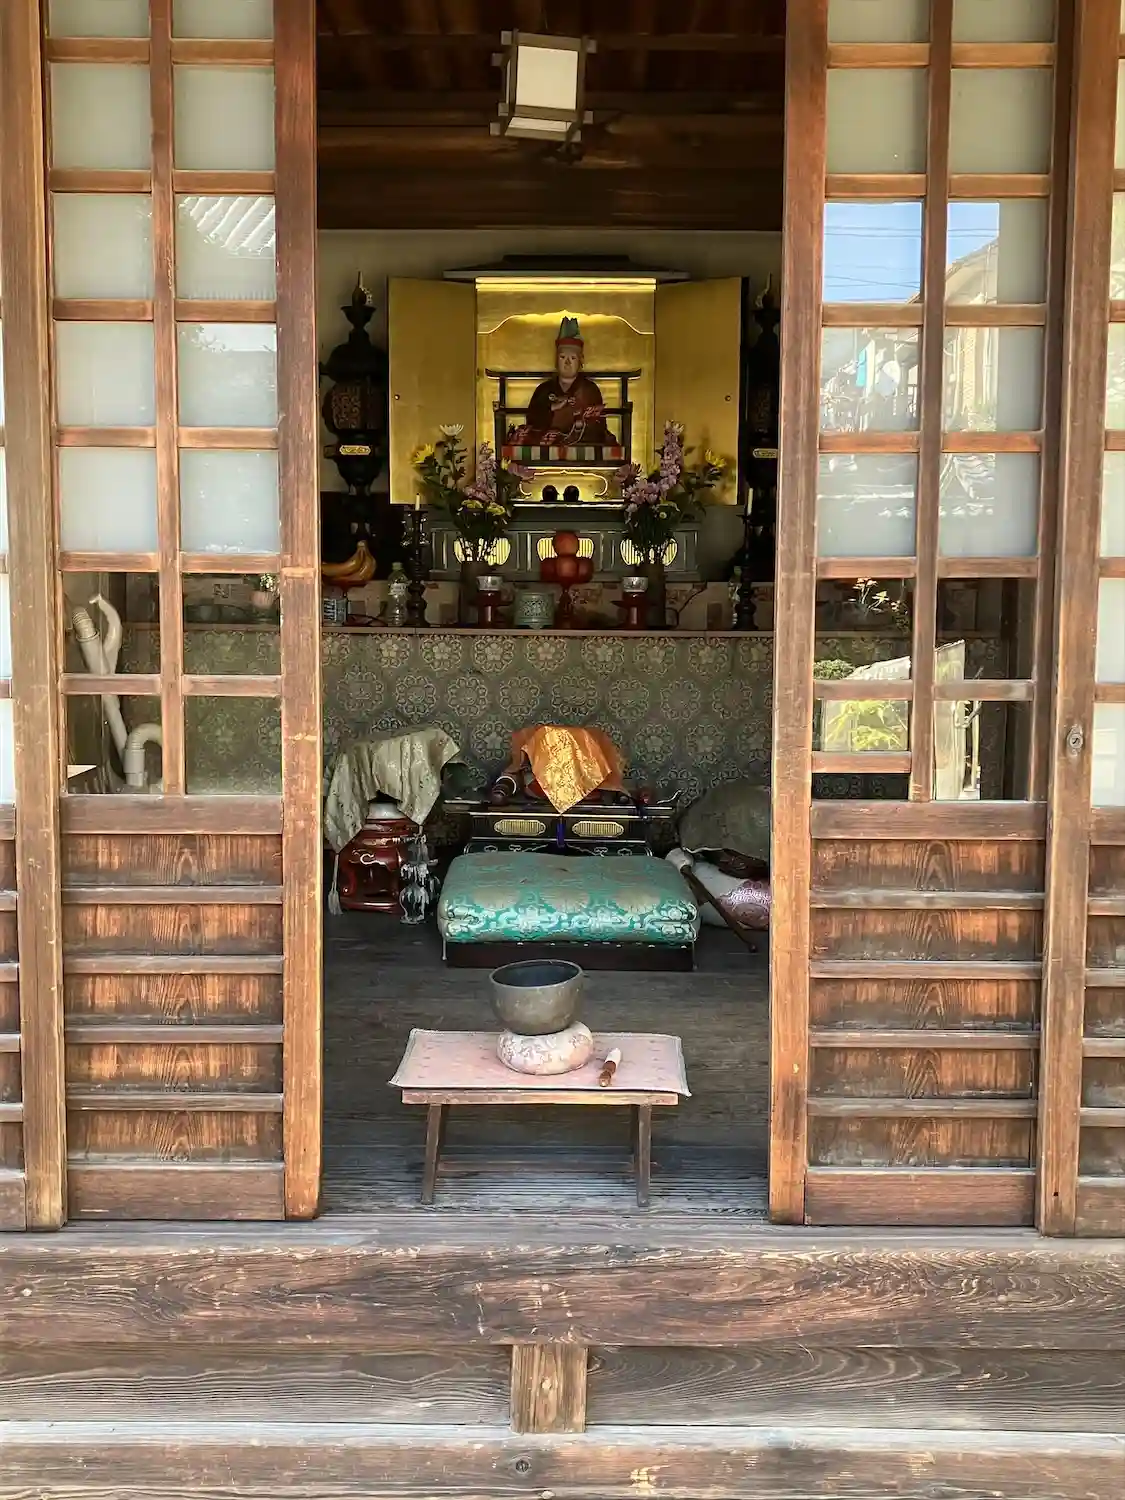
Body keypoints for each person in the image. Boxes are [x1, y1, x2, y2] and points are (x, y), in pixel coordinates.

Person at [510, 317, 613, 446]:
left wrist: (580, 419)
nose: (567, 363)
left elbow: (599, 427)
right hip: (547, 441)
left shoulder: (590, 389)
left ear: (581, 361)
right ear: (556, 360)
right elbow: (532, 419)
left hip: (581, 442)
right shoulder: (544, 389)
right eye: (563, 357)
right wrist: (553, 407)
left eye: (573, 358)